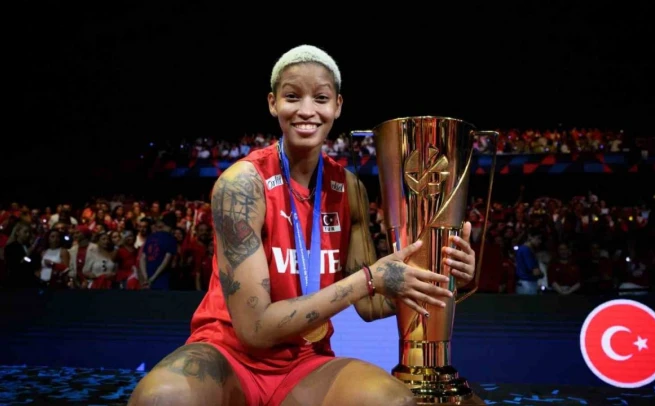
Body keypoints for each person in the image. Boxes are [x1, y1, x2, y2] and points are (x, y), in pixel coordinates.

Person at [128, 44, 478, 406]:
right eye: (292, 96)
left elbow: (371, 305)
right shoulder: (242, 185)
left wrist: (444, 276)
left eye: (321, 98)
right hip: (228, 354)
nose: (307, 110)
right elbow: (255, 330)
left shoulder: (349, 189)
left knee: (393, 401)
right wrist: (370, 278)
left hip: (305, 362)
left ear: (337, 106)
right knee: (161, 400)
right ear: (273, 103)